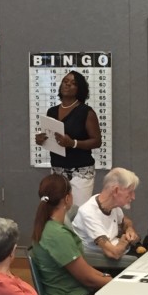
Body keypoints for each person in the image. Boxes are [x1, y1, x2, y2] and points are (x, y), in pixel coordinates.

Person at [31, 174, 112, 295]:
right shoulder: (56, 234)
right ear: (67, 199)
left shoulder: (51, 227)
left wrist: (107, 278)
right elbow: (87, 278)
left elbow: (86, 270)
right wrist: (115, 284)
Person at [35, 70, 102, 207]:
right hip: (57, 168)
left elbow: (97, 141)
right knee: (57, 212)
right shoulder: (52, 111)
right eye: (65, 82)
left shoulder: (86, 112)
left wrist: (73, 143)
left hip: (80, 171)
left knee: (77, 213)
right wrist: (42, 139)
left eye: (73, 83)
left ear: (79, 89)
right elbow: (51, 137)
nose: (67, 85)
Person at [72, 167, 140, 268]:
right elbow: (114, 253)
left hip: (122, 255)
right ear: (116, 190)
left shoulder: (110, 204)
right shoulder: (89, 213)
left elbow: (125, 220)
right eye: (130, 192)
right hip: (103, 265)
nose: (133, 197)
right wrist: (124, 240)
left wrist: (129, 229)